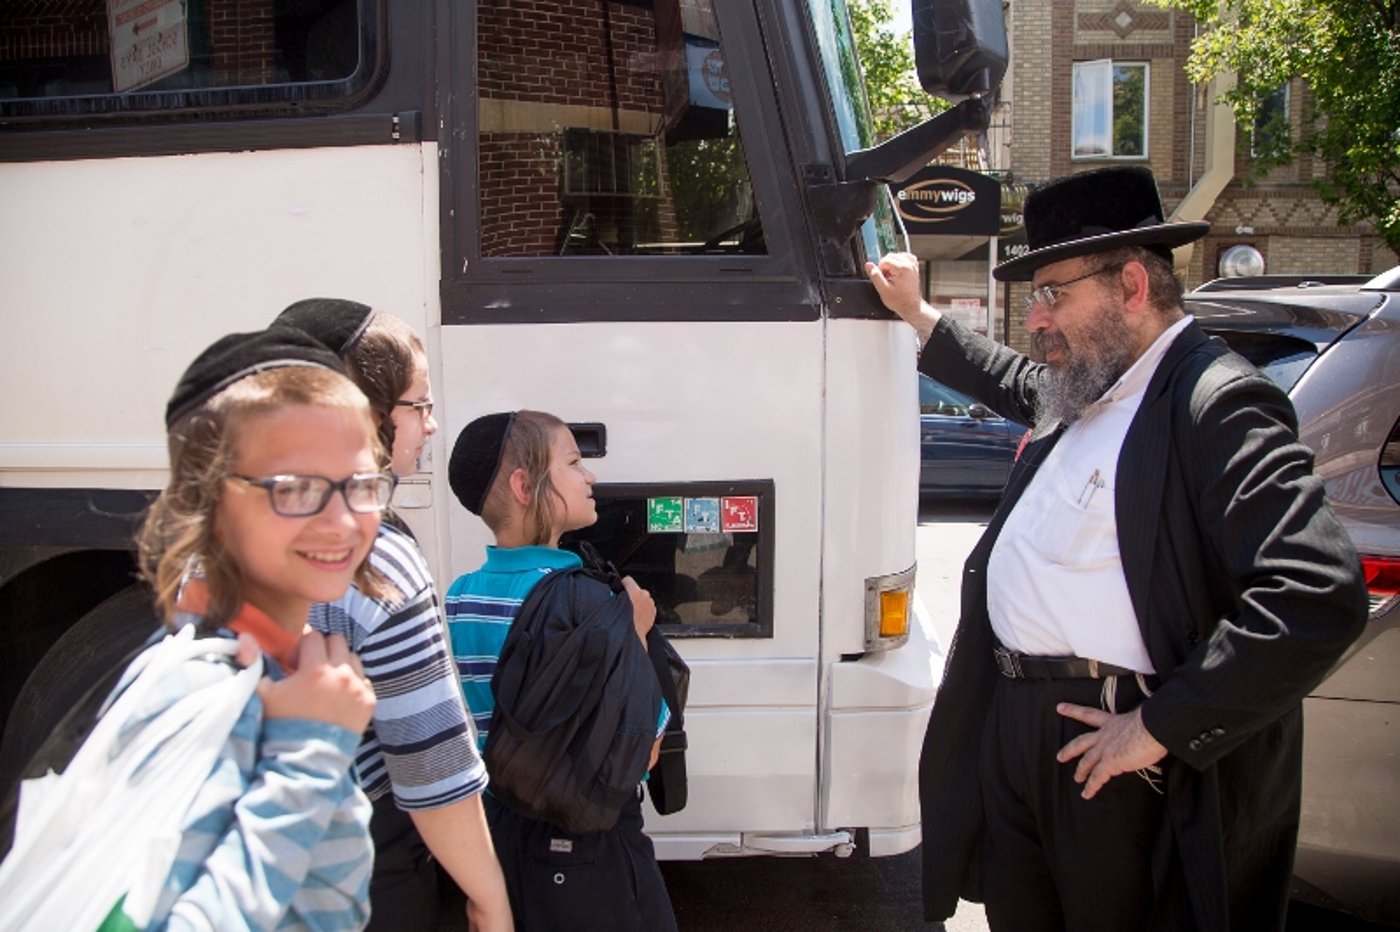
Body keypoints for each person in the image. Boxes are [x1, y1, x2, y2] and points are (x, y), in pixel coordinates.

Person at [864, 165, 1367, 931]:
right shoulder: (1090, 386)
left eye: (1052, 295)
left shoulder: (1214, 401)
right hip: (1020, 731)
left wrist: (1161, 726)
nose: (1036, 320)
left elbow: (1316, 592)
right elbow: (1007, 376)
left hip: (1116, 750)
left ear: (1131, 285)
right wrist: (917, 311)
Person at [271, 298, 512, 931]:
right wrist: (489, 898)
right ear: (366, 413)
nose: (431, 425)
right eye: (419, 406)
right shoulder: (375, 559)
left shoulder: (225, 526)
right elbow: (431, 766)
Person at [135, 327, 384, 927]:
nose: (341, 520)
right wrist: (310, 754)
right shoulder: (204, 692)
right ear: (207, 502)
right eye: (294, 489)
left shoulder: (284, 670)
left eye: (361, 485)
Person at [443, 410, 678, 932]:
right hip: (588, 848)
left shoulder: (460, 597)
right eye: (573, 462)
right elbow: (641, 752)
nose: (589, 475)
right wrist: (636, 633)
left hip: (499, 830)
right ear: (524, 486)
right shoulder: (595, 604)